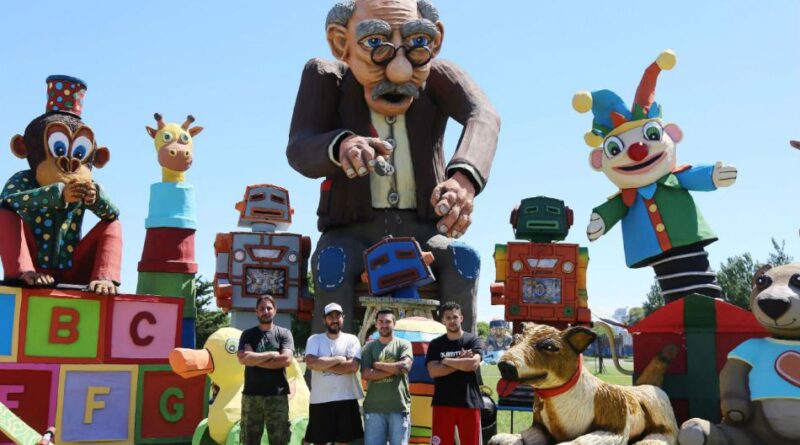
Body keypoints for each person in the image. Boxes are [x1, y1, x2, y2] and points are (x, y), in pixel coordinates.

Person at [286, 0, 500, 334]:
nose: (400, 71)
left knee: (463, 260)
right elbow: (300, 146)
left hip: (424, 232)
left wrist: (463, 178)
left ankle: (459, 357)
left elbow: (484, 115)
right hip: (351, 233)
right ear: (341, 43)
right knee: (332, 265)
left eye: (417, 43)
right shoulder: (327, 77)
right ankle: (331, 363)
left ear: (435, 41)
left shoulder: (439, 77)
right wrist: (341, 145)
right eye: (375, 43)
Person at [237, 294, 294, 445]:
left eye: (269, 308)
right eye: (262, 308)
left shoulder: (284, 334)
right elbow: (243, 359)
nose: (266, 311)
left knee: (279, 441)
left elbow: (286, 360)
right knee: (249, 441)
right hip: (251, 397)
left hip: (277, 397)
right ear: (256, 311)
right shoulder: (248, 334)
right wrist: (272, 354)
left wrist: (253, 358)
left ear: (275, 310)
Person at [304, 302, 364, 444]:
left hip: (346, 398)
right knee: (319, 441)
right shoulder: (314, 339)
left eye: (338, 316)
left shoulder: (352, 339)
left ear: (343, 318)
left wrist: (321, 365)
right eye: (330, 317)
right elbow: (310, 363)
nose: (334, 320)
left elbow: (353, 366)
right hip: (320, 399)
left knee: (343, 441)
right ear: (324, 320)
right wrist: (339, 359)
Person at [425, 301, 484, 445]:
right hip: (443, 403)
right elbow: (433, 371)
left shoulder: (473, 340)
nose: (452, 320)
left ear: (461, 318)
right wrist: (460, 361)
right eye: (448, 317)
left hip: (469, 402)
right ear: (443, 320)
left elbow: (473, 364)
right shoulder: (436, 344)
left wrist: (446, 361)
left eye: (455, 317)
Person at [361, 309, 414, 445]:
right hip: (374, 409)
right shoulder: (368, 348)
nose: (384, 325)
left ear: (394, 324)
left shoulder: (404, 344)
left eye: (388, 322)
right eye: (381, 321)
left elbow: (405, 367)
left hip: (399, 407)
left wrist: (378, 365)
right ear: (376, 324)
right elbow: (366, 374)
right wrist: (395, 370)